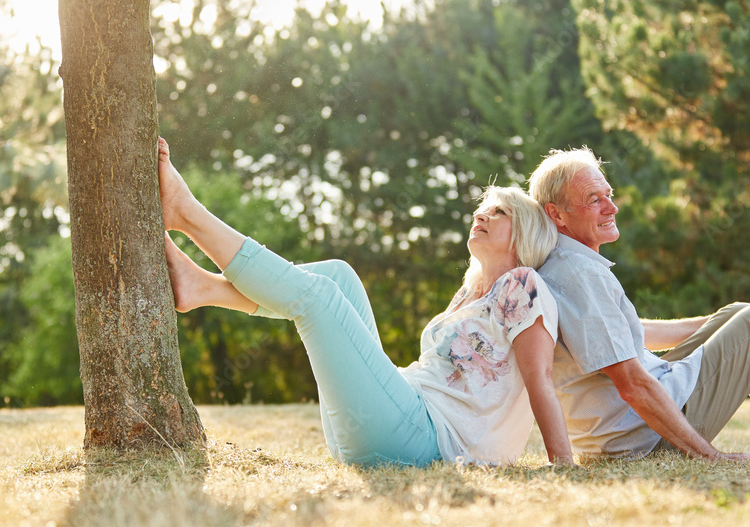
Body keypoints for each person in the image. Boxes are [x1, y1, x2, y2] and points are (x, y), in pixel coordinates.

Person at [157, 138, 574, 467]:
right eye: (481, 209)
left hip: (428, 441)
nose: (481, 215)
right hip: (393, 422)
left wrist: (563, 468)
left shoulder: (523, 285)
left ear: (524, 236)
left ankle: (188, 214)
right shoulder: (472, 291)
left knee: (320, 298)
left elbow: (539, 378)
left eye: (499, 212)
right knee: (337, 276)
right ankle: (205, 288)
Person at [527, 146, 750, 463]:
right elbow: (630, 384)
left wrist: (730, 330)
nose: (611, 208)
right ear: (556, 214)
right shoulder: (578, 273)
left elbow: (626, 334)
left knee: (741, 314)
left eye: (608, 195)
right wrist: (709, 456)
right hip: (647, 435)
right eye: (593, 200)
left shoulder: (564, 265)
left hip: (634, 426)